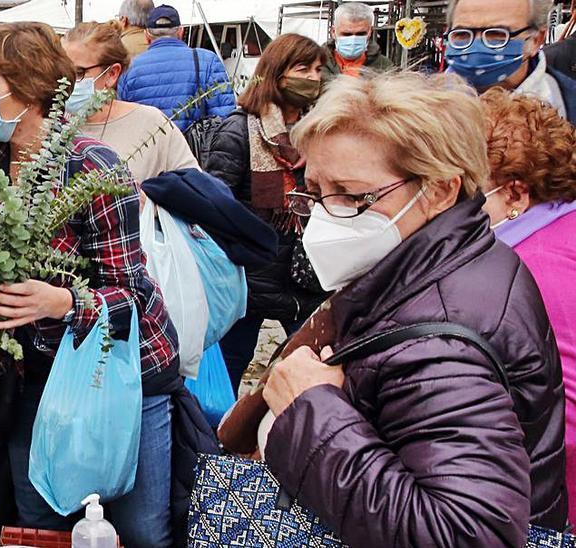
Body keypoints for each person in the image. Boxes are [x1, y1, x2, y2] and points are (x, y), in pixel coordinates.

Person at [260, 70, 566, 547]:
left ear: (441, 189)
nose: (324, 215)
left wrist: (312, 409)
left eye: (353, 196)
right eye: (315, 190)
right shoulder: (459, 258)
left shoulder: (440, 340)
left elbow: (467, 535)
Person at [0, 22, 179, 547]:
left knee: (140, 530)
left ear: (32, 90)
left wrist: (64, 300)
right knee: (38, 520)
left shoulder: (93, 169)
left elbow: (129, 292)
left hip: (122, 375)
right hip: (33, 379)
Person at [201, 34, 330, 394]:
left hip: (306, 274)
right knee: (228, 371)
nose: (313, 78)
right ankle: (220, 439)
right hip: (249, 276)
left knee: (315, 368)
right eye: (302, 69)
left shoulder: (322, 131)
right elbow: (217, 205)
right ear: (276, 73)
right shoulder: (240, 129)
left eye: (318, 69)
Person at [480, 89, 576, 521]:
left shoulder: (530, 273)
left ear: (514, 195)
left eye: (463, 188)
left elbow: (563, 422)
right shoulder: (563, 225)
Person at [61, 22, 198, 184]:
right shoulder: (49, 126)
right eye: (62, 71)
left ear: (112, 74)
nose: (66, 82)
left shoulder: (152, 124)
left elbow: (195, 188)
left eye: (78, 73)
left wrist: (146, 201)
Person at [445, 0, 576, 121]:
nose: (477, 46)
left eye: (498, 34)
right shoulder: (428, 109)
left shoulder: (568, 104)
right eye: (462, 34)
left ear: (537, 40)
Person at [118, 4, 236, 132]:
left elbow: (123, 123)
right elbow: (225, 119)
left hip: (149, 149)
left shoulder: (129, 69)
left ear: (147, 35)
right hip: (195, 150)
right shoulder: (207, 61)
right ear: (180, 31)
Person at [322, 2, 394, 80]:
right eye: (347, 34)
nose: (353, 40)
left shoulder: (384, 67)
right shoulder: (315, 63)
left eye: (360, 34)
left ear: (370, 32)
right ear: (333, 32)